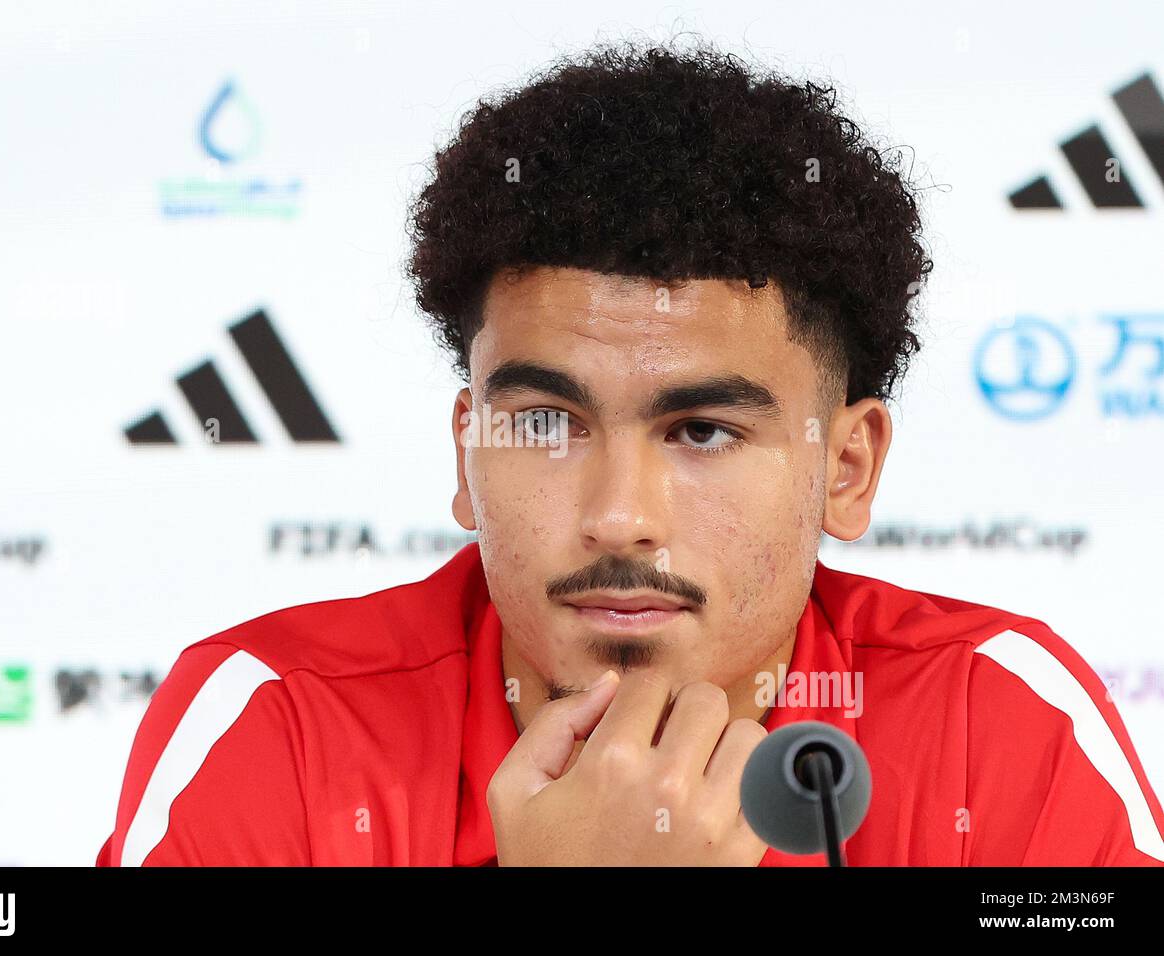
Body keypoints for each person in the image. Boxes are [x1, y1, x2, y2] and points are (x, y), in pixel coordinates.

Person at [96, 39, 1164, 866]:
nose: (619, 515)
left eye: (701, 430)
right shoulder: (281, 720)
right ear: (468, 452)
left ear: (845, 467)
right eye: (548, 423)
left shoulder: (998, 722)